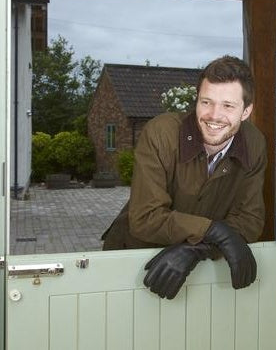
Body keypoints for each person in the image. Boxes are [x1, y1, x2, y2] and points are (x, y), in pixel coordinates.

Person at [102, 55, 267, 299]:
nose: (214, 115)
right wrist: (216, 233)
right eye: (206, 102)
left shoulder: (254, 143)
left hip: (194, 266)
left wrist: (196, 250)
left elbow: (250, 220)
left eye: (228, 106)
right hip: (133, 257)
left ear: (246, 111)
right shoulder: (161, 133)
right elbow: (146, 217)